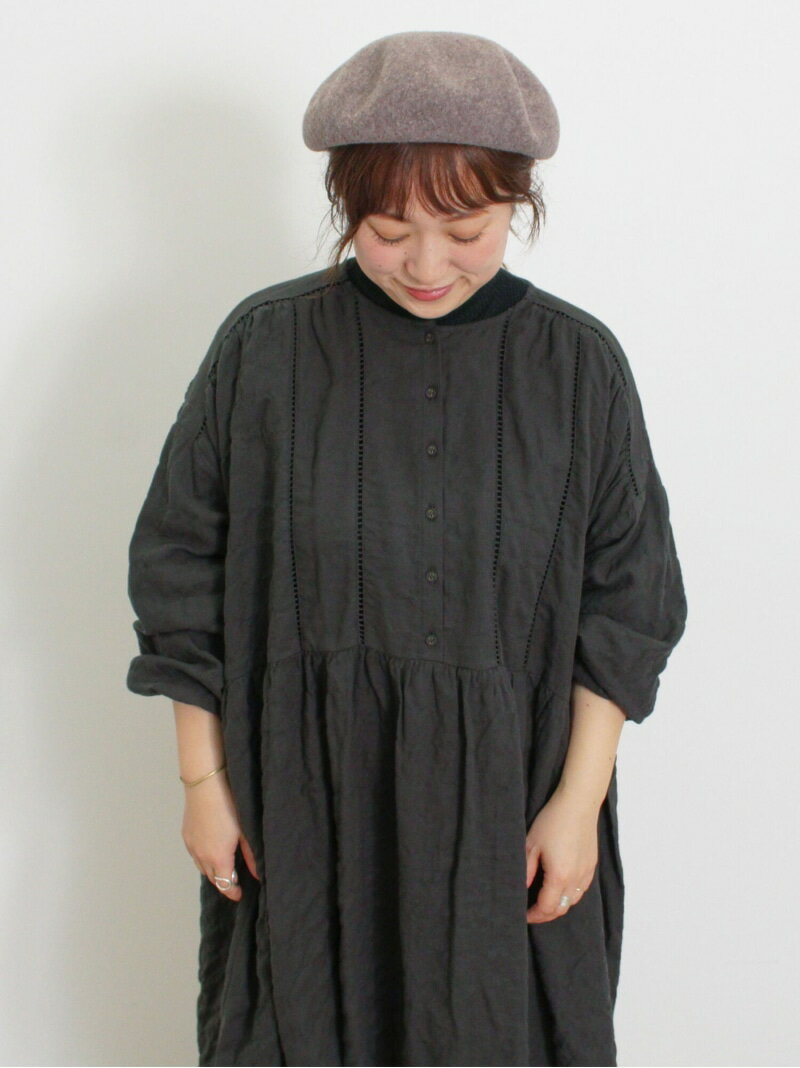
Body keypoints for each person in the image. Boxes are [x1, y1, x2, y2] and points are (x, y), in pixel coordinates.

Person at [126, 30, 687, 1068]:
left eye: (466, 229)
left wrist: (576, 804)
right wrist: (203, 787)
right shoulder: (264, 348)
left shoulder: (577, 367)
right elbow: (177, 570)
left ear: (518, 202)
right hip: (303, 807)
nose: (427, 266)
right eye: (387, 231)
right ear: (344, 207)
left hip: (513, 812)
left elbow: (629, 605)